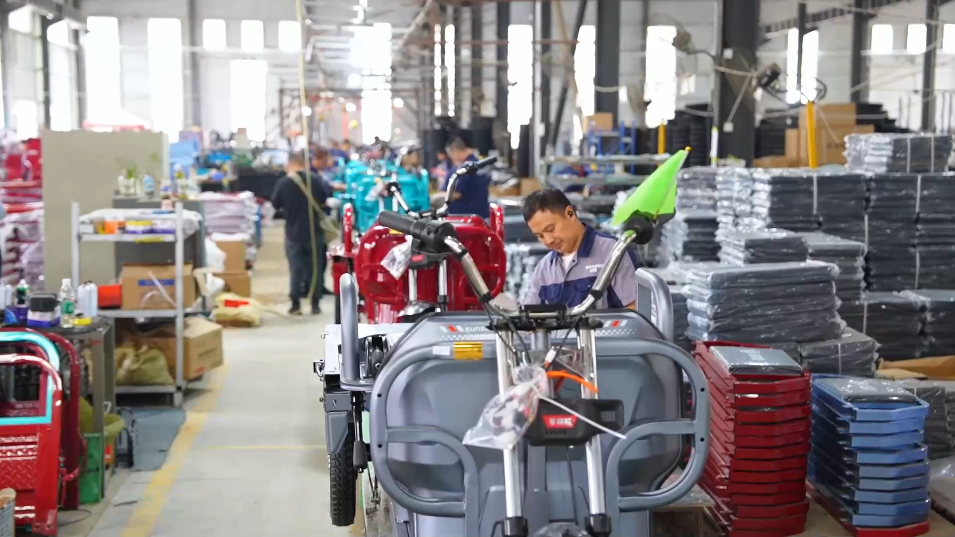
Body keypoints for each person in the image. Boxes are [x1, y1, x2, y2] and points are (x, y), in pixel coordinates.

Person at [520, 189, 639, 309]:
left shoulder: (613, 252)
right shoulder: (544, 269)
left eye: (551, 229)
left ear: (570, 213)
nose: (548, 240)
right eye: (540, 236)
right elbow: (529, 314)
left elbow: (634, 309)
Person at [271, 153, 329, 315]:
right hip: (314, 232)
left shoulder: (283, 183)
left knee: (295, 269)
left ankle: (295, 304)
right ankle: (315, 303)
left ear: (290, 164)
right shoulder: (315, 180)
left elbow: (275, 203)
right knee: (315, 268)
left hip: (293, 233)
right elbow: (324, 200)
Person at [445, 137, 491, 219]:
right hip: (482, 213)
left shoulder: (467, 167)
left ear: (456, 151)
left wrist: (438, 197)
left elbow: (457, 194)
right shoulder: (478, 164)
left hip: (467, 214)